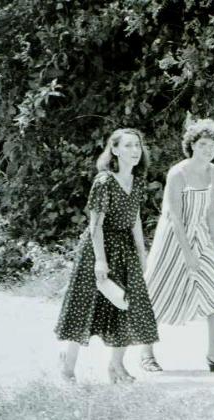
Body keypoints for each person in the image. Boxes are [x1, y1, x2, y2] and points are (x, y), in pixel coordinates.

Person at [54, 128, 159, 383]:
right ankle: (67, 368)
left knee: (128, 304)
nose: (135, 151)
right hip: (98, 249)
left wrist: (142, 251)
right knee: (84, 306)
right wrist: (100, 261)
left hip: (125, 250)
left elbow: (135, 219)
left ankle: (116, 366)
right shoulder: (104, 181)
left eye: (137, 145)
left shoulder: (137, 181)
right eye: (128, 145)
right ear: (115, 150)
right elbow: (96, 225)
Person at [139, 117, 214, 373]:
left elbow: (210, 213)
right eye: (203, 144)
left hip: (201, 236)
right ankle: (146, 354)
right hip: (173, 240)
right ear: (192, 144)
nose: (208, 149)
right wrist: (187, 255)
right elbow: (174, 217)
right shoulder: (178, 173)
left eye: (213, 145)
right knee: (156, 293)